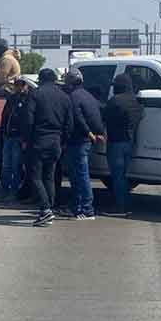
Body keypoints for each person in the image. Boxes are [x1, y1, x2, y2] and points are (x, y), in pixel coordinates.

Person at [22, 69, 73, 227]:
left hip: (38, 140)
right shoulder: (65, 97)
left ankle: (45, 210)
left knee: (35, 176)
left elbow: (28, 120)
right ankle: (49, 207)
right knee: (49, 177)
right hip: (56, 141)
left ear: (41, 79)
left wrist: (26, 140)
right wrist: (63, 141)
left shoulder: (35, 94)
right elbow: (69, 124)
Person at [61, 69, 106, 219]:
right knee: (79, 175)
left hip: (79, 140)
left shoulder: (73, 97)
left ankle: (87, 209)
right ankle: (77, 207)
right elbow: (96, 115)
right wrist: (97, 132)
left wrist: (89, 133)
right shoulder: (88, 96)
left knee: (80, 176)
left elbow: (78, 118)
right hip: (87, 141)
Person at [102, 73, 144, 217]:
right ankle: (126, 205)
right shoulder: (136, 101)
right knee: (123, 176)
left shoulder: (115, 101)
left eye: (115, 86)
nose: (113, 89)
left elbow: (104, 117)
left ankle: (120, 207)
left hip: (116, 143)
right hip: (130, 142)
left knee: (117, 176)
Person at [0, 77, 30, 201]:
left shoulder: (28, 99)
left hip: (18, 137)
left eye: (22, 85)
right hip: (8, 135)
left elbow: (26, 120)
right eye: (17, 85)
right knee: (6, 165)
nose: (19, 87)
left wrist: (24, 137)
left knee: (16, 166)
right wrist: (4, 130)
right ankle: (4, 190)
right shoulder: (12, 98)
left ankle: (14, 191)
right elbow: (5, 115)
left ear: (26, 86)